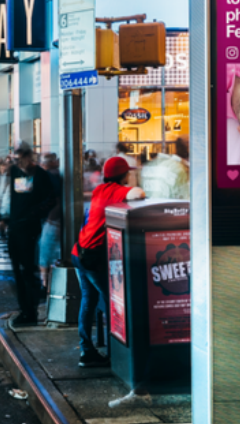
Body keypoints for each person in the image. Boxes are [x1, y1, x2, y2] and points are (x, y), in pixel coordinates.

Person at [73, 156, 145, 367]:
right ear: (123, 174)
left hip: (79, 252)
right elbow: (139, 193)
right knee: (115, 303)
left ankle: (86, 351)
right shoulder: (116, 191)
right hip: (93, 257)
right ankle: (118, 354)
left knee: (89, 301)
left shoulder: (100, 190)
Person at [7, 142, 55, 327]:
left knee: (27, 270)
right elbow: (11, 196)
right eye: (16, 159)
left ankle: (30, 312)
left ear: (29, 157)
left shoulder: (40, 175)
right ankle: (24, 309)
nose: (19, 163)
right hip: (14, 226)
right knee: (18, 272)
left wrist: (33, 214)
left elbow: (51, 199)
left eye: (21, 159)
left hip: (29, 228)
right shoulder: (14, 172)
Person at [39, 153, 63, 289]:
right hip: (58, 218)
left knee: (46, 250)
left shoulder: (49, 175)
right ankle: (49, 282)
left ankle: (45, 282)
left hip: (53, 218)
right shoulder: (60, 173)